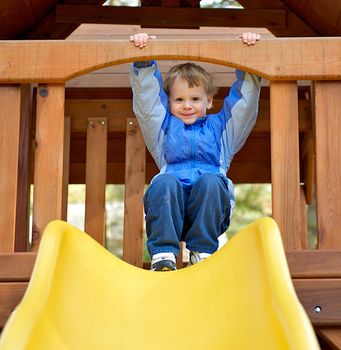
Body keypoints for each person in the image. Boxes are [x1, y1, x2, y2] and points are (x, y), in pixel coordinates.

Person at [129, 32, 261, 271]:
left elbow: (243, 106)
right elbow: (148, 104)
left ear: (209, 101)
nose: (187, 105)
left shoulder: (221, 130)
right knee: (164, 182)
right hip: (171, 211)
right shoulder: (163, 129)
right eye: (179, 99)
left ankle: (202, 251)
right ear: (168, 103)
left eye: (195, 98)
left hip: (208, 212)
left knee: (212, 180)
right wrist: (143, 60)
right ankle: (164, 253)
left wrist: (249, 58)